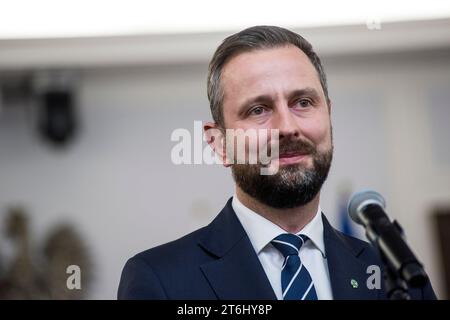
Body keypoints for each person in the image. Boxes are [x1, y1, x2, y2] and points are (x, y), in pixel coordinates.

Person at [118, 25, 436, 300]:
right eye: (258, 109)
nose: (287, 127)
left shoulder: (395, 273)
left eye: (303, 102)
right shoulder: (160, 279)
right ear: (220, 144)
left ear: (329, 117)